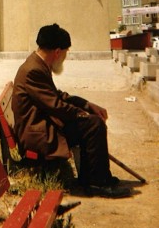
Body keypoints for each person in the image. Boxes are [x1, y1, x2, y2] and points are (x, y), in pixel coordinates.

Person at [12, 23, 131, 198]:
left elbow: (57, 97)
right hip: (37, 135)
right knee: (93, 125)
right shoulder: (33, 70)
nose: (65, 58)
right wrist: (82, 114)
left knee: (91, 122)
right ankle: (97, 183)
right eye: (66, 53)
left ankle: (94, 178)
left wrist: (88, 105)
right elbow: (55, 105)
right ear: (58, 52)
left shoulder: (37, 64)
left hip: (41, 126)